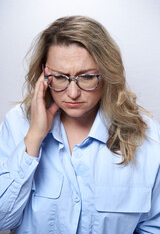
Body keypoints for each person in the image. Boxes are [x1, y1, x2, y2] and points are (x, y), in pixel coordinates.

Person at [0, 16, 160, 234]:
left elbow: (153, 227)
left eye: (86, 77)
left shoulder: (148, 136)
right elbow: (2, 220)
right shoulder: (17, 124)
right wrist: (34, 138)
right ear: (44, 74)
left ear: (108, 74)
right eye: (59, 77)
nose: (73, 93)